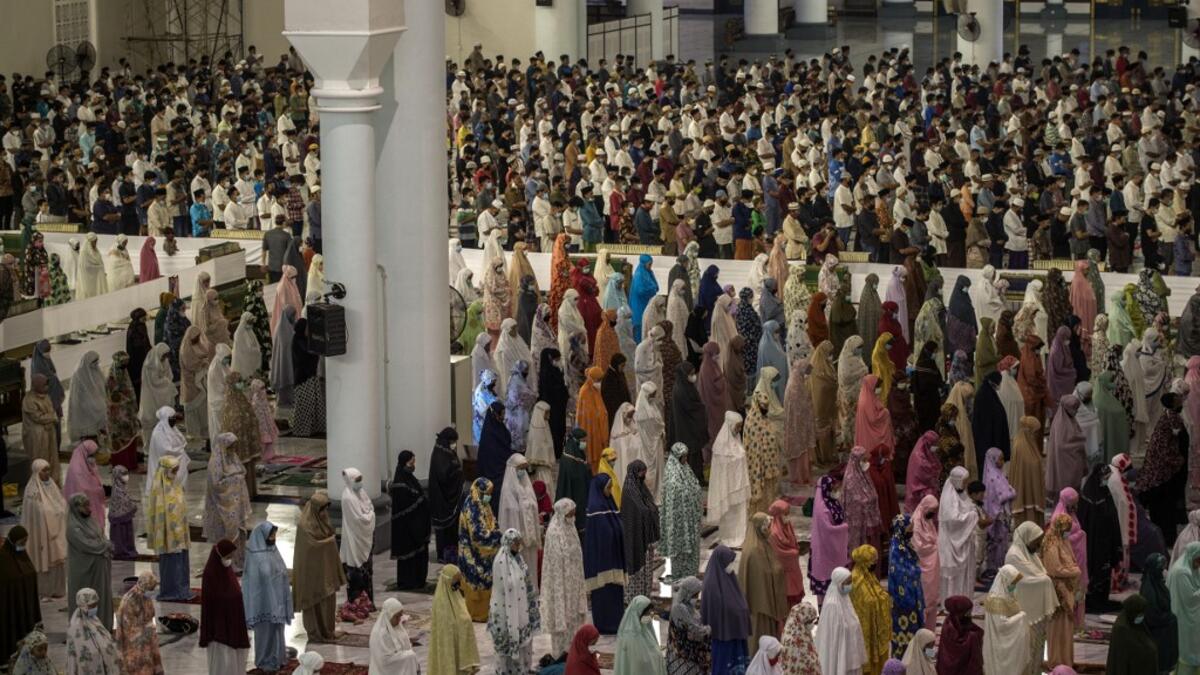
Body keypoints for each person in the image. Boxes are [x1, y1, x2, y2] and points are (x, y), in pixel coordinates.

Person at [1005, 521, 1060, 674]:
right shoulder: (1014, 555)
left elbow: (1039, 573)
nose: (1038, 546)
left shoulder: (1029, 554)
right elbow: (1029, 579)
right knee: (1025, 650)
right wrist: (1047, 580)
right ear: (1026, 538)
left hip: (1034, 610)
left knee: (1036, 648)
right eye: (1036, 542)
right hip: (1023, 611)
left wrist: (1045, 578)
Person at [293, 490, 347, 642]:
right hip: (311, 573)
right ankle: (316, 633)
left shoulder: (322, 520)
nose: (325, 513)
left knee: (328, 601)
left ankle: (328, 631)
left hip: (325, 571)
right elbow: (311, 547)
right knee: (314, 603)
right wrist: (329, 542)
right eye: (322, 509)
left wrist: (328, 542)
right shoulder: (305, 526)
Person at [489, 529, 541, 674]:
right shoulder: (500, 561)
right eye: (516, 543)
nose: (518, 546)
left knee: (524, 640)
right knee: (506, 643)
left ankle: (522, 669)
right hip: (505, 610)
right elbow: (506, 587)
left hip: (521, 608)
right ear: (509, 543)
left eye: (519, 543)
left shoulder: (518, 558)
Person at [243, 522, 292, 673]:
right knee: (265, 634)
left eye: (274, 534)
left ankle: (278, 658)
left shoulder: (273, 551)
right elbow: (252, 584)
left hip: (277, 601)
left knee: (277, 631)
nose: (273, 537)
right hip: (263, 604)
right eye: (271, 534)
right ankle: (264, 661)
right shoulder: (254, 557)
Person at [541, 498, 588, 656]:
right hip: (560, 585)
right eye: (570, 514)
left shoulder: (570, 526)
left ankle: (574, 651)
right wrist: (562, 589)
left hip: (573, 583)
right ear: (562, 513)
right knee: (563, 620)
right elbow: (554, 566)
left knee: (574, 619)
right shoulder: (554, 532)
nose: (573, 517)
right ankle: (561, 654)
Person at [741, 512, 790, 653]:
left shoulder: (763, 544)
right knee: (759, 636)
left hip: (766, 602)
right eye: (767, 526)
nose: (770, 529)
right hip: (760, 605)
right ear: (760, 528)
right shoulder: (754, 551)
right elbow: (760, 578)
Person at [200, 540, 250, 675]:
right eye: (228, 557)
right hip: (218, 629)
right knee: (222, 664)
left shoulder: (227, 571)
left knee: (232, 662)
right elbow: (212, 602)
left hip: (231, 622)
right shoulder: (210, 574)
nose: (229, 560)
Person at [584, 473, 626, 634]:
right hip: (602, 562)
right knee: (603, 596)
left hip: (613, 558)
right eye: (608, 487)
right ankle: (604, 625)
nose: (610, 490)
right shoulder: (595, 507)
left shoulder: (609, 502)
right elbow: (603, 534)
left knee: (614, 594)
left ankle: (616, 622)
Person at [20, 459, 66, 599]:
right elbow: (39, 513)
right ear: (37, 472)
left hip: (55, 534)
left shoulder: (51, 484)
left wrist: (58, 512)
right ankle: (44, 591)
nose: (47, 473)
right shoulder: (32, 493)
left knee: (56, 562)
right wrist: (54, 512)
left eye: (48, 470)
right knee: (44, 560)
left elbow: (61, 503)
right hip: (41, 535)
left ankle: (57, 590)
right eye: (44, 471)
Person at [204, 432, 251, 570]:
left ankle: (238, 562)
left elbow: (241, 471)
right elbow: (216, 484)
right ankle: (225, 563)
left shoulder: (232, 458)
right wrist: (235, 481)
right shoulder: (215, 462)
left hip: (236, 506)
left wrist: (237, 479)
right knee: (226, 535)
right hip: (223, 507)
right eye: (230, 446)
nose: (233, 450)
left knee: (238, 532)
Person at [703, 545, 752, 673]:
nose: (731, 565)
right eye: (729, 562)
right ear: (721, 561)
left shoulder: (728, 577)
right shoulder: (711, 585)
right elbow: (716, 612)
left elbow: (738, 599)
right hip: (722, 636)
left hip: (734, 632)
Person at [458, 477, 502, 621]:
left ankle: (485, 612)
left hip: (487, 553)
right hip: (473, 553)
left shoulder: (483, 504)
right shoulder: (472, 507)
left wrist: (495, 533)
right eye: (487, 492)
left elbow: (493, 522)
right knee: (476, 580)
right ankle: (476, 614)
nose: (489, 495)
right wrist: (496, 538)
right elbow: (477, 536)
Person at [66, 493, 112, 629]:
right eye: (85, 506)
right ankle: (83, 629)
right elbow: (87, 545)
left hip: (98, 570)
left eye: (88, 504)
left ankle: (102, 626)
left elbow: (100, 536)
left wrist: (104, 543)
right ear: (76, 508)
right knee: (85, 599)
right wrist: (105, 545)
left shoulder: (90, 520)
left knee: (99, 596)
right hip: (84, 571)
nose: (89, 508)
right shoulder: (73, 527)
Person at [660, 443, 703, 580]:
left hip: (690, 519)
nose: (685, 459)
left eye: (686, 456)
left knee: (692, 549)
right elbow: (675, 495)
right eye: (683, 457)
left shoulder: (685, 468)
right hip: (679, 523)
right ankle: (681, 575)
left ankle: (691, 574)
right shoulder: (672, 474)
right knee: (681, 551)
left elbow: (694, 485)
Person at [709, 411, 751, 547]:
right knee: (729, 517)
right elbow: (721, 472)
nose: (739, 430)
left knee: (740, 516)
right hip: (727, 489)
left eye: (740, 427)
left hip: (739, 488)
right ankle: (729, 536)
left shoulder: (736, 440)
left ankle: (740, 534)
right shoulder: (720, 446)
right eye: (737, 427)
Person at [390, 450, 431, 589]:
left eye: (414, 462)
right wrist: (421, 502)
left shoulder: (410, 479)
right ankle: (409, 581)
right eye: (411, 462)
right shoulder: (400, 484)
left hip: (417, 526)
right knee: (409, 559)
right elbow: (406, 506)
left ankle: (418, 580)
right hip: (407, 530)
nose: (413, 465)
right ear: (403, 463)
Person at [814, 567, 866, 675]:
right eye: (847, 582)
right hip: (840, 656)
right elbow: (832, 641)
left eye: (851, 582)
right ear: (839, 583)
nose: (850, 585)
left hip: (851, 655)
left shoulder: (845, 598)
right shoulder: (832, 605)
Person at [0, 526, 40, 666]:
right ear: (12, 541)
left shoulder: (23, 556)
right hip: (11, 606)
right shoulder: (3, 559)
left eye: (25, 542)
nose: (23, 545)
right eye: (21, 542)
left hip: (25, 603)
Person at [622, 460, 661, 602]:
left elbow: (650, 505)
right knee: (636, 565)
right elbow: (641, 510)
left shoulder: (640, 487)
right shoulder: (629, 491)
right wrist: (650, 510)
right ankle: (634, 597)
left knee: (647, 566)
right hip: (634, 536)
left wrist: (651, 510)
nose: (643, 475)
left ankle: (644, 594)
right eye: (641, 472)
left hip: (645, 536)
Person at [939, 466, 980, 600]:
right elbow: (953, 520)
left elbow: (968, 506)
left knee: (965, 575)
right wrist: (973, 515)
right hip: (953, 543)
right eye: (964, 481)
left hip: (965, 543)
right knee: (954, 577)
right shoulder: (949, 499)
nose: (966, 484)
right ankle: (953, 602)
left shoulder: (962, 494)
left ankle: (965, 600)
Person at [982, 564, 1031, 675]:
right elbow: (1002, 625)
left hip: (1004, 641)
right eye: (1012, 582)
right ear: (1005, 580)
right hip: (1000, 644)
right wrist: (1021, 616)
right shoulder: (997, 599)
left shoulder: (1006, 593)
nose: (1013, 585)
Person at [887, 514, 925, 658]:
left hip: (912, 597)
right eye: (910, 528)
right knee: (904, 635)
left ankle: (915, 661)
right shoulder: (897, 549)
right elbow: (900, 574)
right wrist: (916, 571)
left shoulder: (904, 545)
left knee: (914, 634)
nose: (912, 531)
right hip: (903, 602)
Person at [428, 427, 466, 563]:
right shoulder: (440, 454)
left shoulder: (448, 452)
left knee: (452, 529)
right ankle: (443, 554)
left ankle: (452, 552)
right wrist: (457, 473)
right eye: (453, 441)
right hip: (442, 498)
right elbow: (444, 476)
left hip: (451, 498)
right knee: (444, 529)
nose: (454, 444)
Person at [114, 571, 163, 675]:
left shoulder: (144, 598)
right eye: (151, 589)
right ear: (145, 586)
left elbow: (150, 615)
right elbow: (128, 630)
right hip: (134, 645)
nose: (152, 592)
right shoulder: (129, 601)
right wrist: (147, 630)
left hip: (145, 641)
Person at [66, 587, 121, 673]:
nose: (95, 608)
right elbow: (79, 653)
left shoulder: (93, 619)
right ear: (84, 605)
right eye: (92, 605)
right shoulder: (76, 626)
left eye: (96, 604)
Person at [1140, 553, 1179, 674]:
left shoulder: (1158, 584)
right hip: (1157, 635)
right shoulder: (1149, 590)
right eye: (1160, 569)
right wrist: (1170, 618)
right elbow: (1151, 617)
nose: (1163, 571)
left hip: (1164, 633)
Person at [1106, 594, 1161, 675]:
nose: (1142, 616)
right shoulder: (1122, 628)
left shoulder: (1132, 621)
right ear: (1133, 610)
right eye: (1140, 613)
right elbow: (1126, 654)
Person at [665, 576, 711, 673]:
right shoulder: (679, 608)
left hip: (687, 652)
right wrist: (709, 630)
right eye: (695, 595)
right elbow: (693, 629)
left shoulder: (687, 605)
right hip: (682, 653)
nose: (696, 598)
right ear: (688, 592)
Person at [21, 375, 60, 485]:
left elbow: (51, 410)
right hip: (36, 436)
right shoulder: (29, 400)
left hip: (48, 431)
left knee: (51, 457)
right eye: (44, 385)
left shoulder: (45, 396)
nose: (46, 387)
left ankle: (52, 482)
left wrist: (50, 418)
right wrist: (51, 418)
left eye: (47, 385)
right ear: (37, 385)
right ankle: (39, 484)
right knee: (40, 460)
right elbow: (37, 417)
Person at [614, 595, 666, 675]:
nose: (649, 616)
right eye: (646, 613)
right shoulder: (630, 635)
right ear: (639, 612)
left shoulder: (643, 627)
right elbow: (639, 662)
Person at [1168, 542, 1200, 673]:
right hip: (1184, 616)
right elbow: (1190, 599)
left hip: (1189, 615)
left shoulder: (1190, 567)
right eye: (1198, 559)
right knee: (1185, 647)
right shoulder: (1181, 572)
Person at [768, 499, 805, 606]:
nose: (787, 516)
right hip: (784, 572)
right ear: (778, 515)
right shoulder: (774, 533)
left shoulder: (787, 525)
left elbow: (793, 541)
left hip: (794, 569)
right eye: (785, 514)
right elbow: (778, 553)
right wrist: (793, 553)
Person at [369, 597, 419, 674]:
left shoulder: (397, 628)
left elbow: (406, 646)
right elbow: (383, 661)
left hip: (396, 663)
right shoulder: (379, 633)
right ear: (389, 615)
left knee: (410, 656)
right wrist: (408, 655)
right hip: (384, 670)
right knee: (410, 656)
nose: (399, 619)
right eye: (397, 616)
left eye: (400, 616)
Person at [779, 602, 820, 674]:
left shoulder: (795, 628)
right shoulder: (793, 639)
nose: (812, 624)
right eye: (810, 621)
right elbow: (804, 663)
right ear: (803, 619)